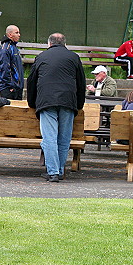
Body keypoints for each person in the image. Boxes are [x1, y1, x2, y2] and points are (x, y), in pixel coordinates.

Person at [27, 33, 86, 182]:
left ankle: (53, 172)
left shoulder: (41, 57)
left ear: (49, 43)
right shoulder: (74, 57)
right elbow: (81, 84)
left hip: (46, 101)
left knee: (49, 138)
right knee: (64, 139)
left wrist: (32, 103)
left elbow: (31, 82)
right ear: (65, 44)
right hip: (68, 101)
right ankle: (58, 170)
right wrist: (79, 104)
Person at [0, 24, 24, 100]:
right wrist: (10, 85)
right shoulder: (5, 48)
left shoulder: (14, 47)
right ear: (10, 34)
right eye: (16, 32)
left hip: (17, 87)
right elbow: (4, 68)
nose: (19, 35)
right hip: (9, 88)